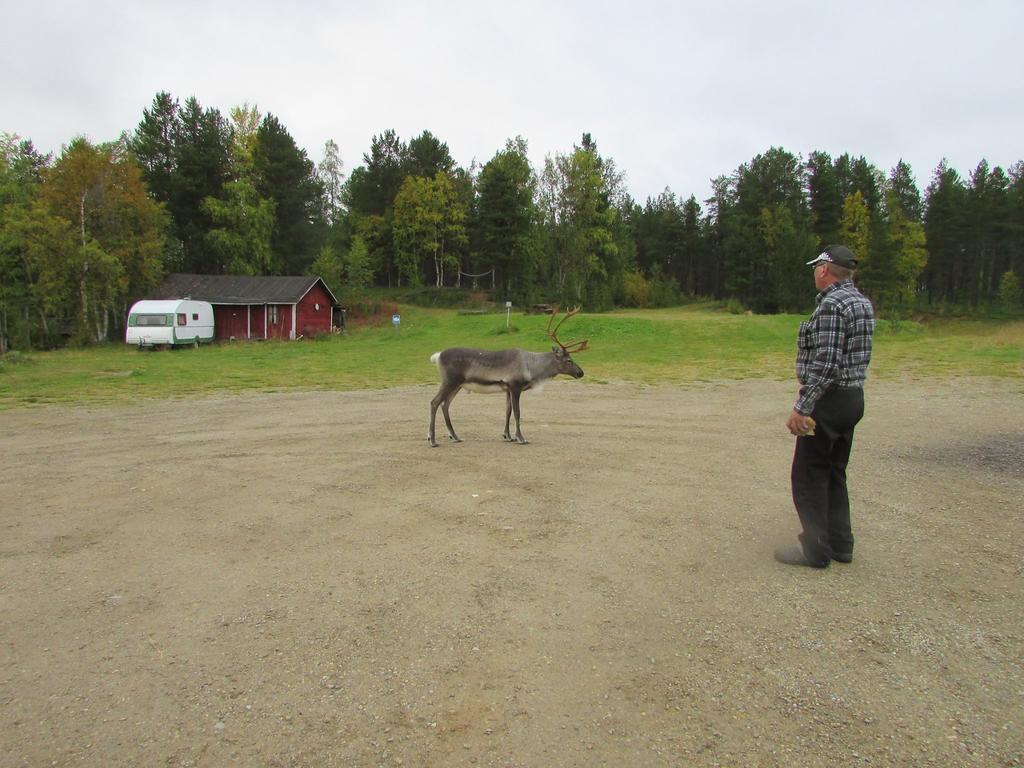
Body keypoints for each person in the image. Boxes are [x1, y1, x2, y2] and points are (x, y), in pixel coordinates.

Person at [775, 244, 876, 568]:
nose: (814, 273)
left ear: (823, 270)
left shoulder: (832, 305)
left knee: (808, 475)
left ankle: (815, 550)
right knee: (834, 471)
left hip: (829, 400)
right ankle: (840, 543)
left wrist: (803, 407)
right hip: (852, 398)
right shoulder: (861, 302)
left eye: (815, 268)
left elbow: (827, 363)